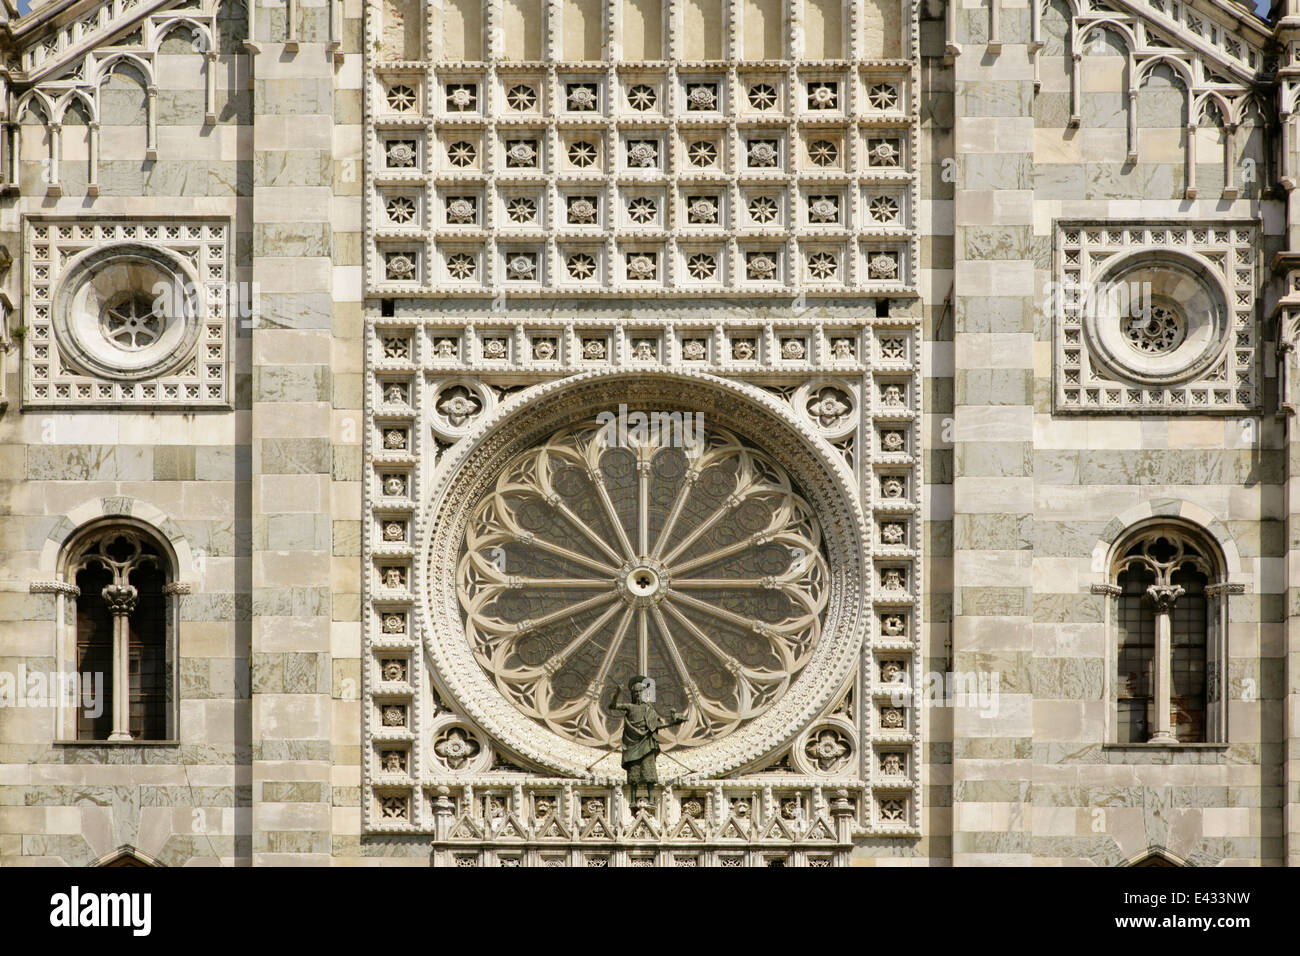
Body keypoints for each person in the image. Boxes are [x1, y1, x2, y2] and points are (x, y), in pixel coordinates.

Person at [608, 675, 685, 805]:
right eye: (635, 692)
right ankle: (632, 800)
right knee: (634, 773)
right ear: (632, 694)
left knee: (649, 772)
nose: (638, 694)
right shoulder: (630, 707)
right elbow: (613, 706)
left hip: (647, 742)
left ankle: (651, 799)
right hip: (633, 743)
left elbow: (655, 725)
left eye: (640, 692)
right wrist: (618, 693)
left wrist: (673, 723)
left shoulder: (649, 709)